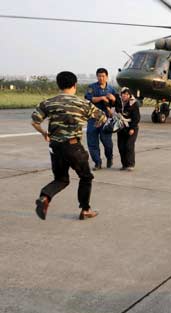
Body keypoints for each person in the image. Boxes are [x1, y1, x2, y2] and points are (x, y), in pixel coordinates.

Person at [32, 71, 107, 221]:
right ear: (74, 85)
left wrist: (44, 133)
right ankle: (85, 210)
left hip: (55, 147)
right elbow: (103, 117)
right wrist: (98, 122)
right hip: (73, 147)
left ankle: (45, 197)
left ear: (58, 85)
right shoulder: (83, 103)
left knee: (61, 179)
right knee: (86, 177)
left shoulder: (48, 102)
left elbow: (35, 121)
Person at [85, 68, 117, 170]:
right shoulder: (91, 87)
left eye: (103, 76)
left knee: (107, 142)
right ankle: (97, 163)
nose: (101, 78)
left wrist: (113, 98)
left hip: (105, 120)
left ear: (107, 77)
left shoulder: (111, 89)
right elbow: (88, 98)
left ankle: (109, 158)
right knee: (92, 142)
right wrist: (102, 98)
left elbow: (116, 102)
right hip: (93, 119)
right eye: (99, 76)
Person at [115, 87, 140, 171]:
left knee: (129, 145)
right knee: (121, 146)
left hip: (131, 127)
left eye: (127, 94)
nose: (125, 96)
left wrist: (132, 128)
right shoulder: (118, 102)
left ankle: (130, 164)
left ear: (129, 95)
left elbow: (136, 118)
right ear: (121, 95)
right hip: (121, 127)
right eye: (123, 94)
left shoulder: (134, 104)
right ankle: (124, 164)